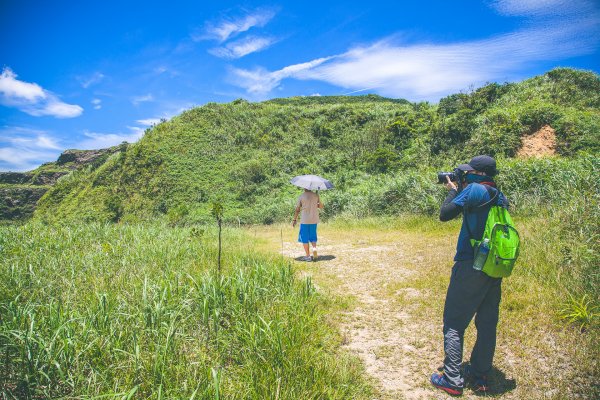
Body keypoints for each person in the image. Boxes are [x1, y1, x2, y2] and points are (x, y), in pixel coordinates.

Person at [430, 155, 509, 396]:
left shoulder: (473, 189)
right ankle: (480, 375)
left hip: (470, 263)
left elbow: (445, 214)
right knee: (486, 323)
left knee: (454, 323)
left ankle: (452, 379)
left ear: (479, 173)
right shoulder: (499, 194)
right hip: (493, 266)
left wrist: (453, 190)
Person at [291, 189, 324, 261]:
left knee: (304, 237)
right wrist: (317, 199)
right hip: (314, 219)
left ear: (304, 187)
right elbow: (321, 206)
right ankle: (314, 248)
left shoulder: (301, 196)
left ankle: (308, 256)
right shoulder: (315, 195)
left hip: (305, 220)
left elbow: (297, 209)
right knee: (313, 235)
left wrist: (294, 219)